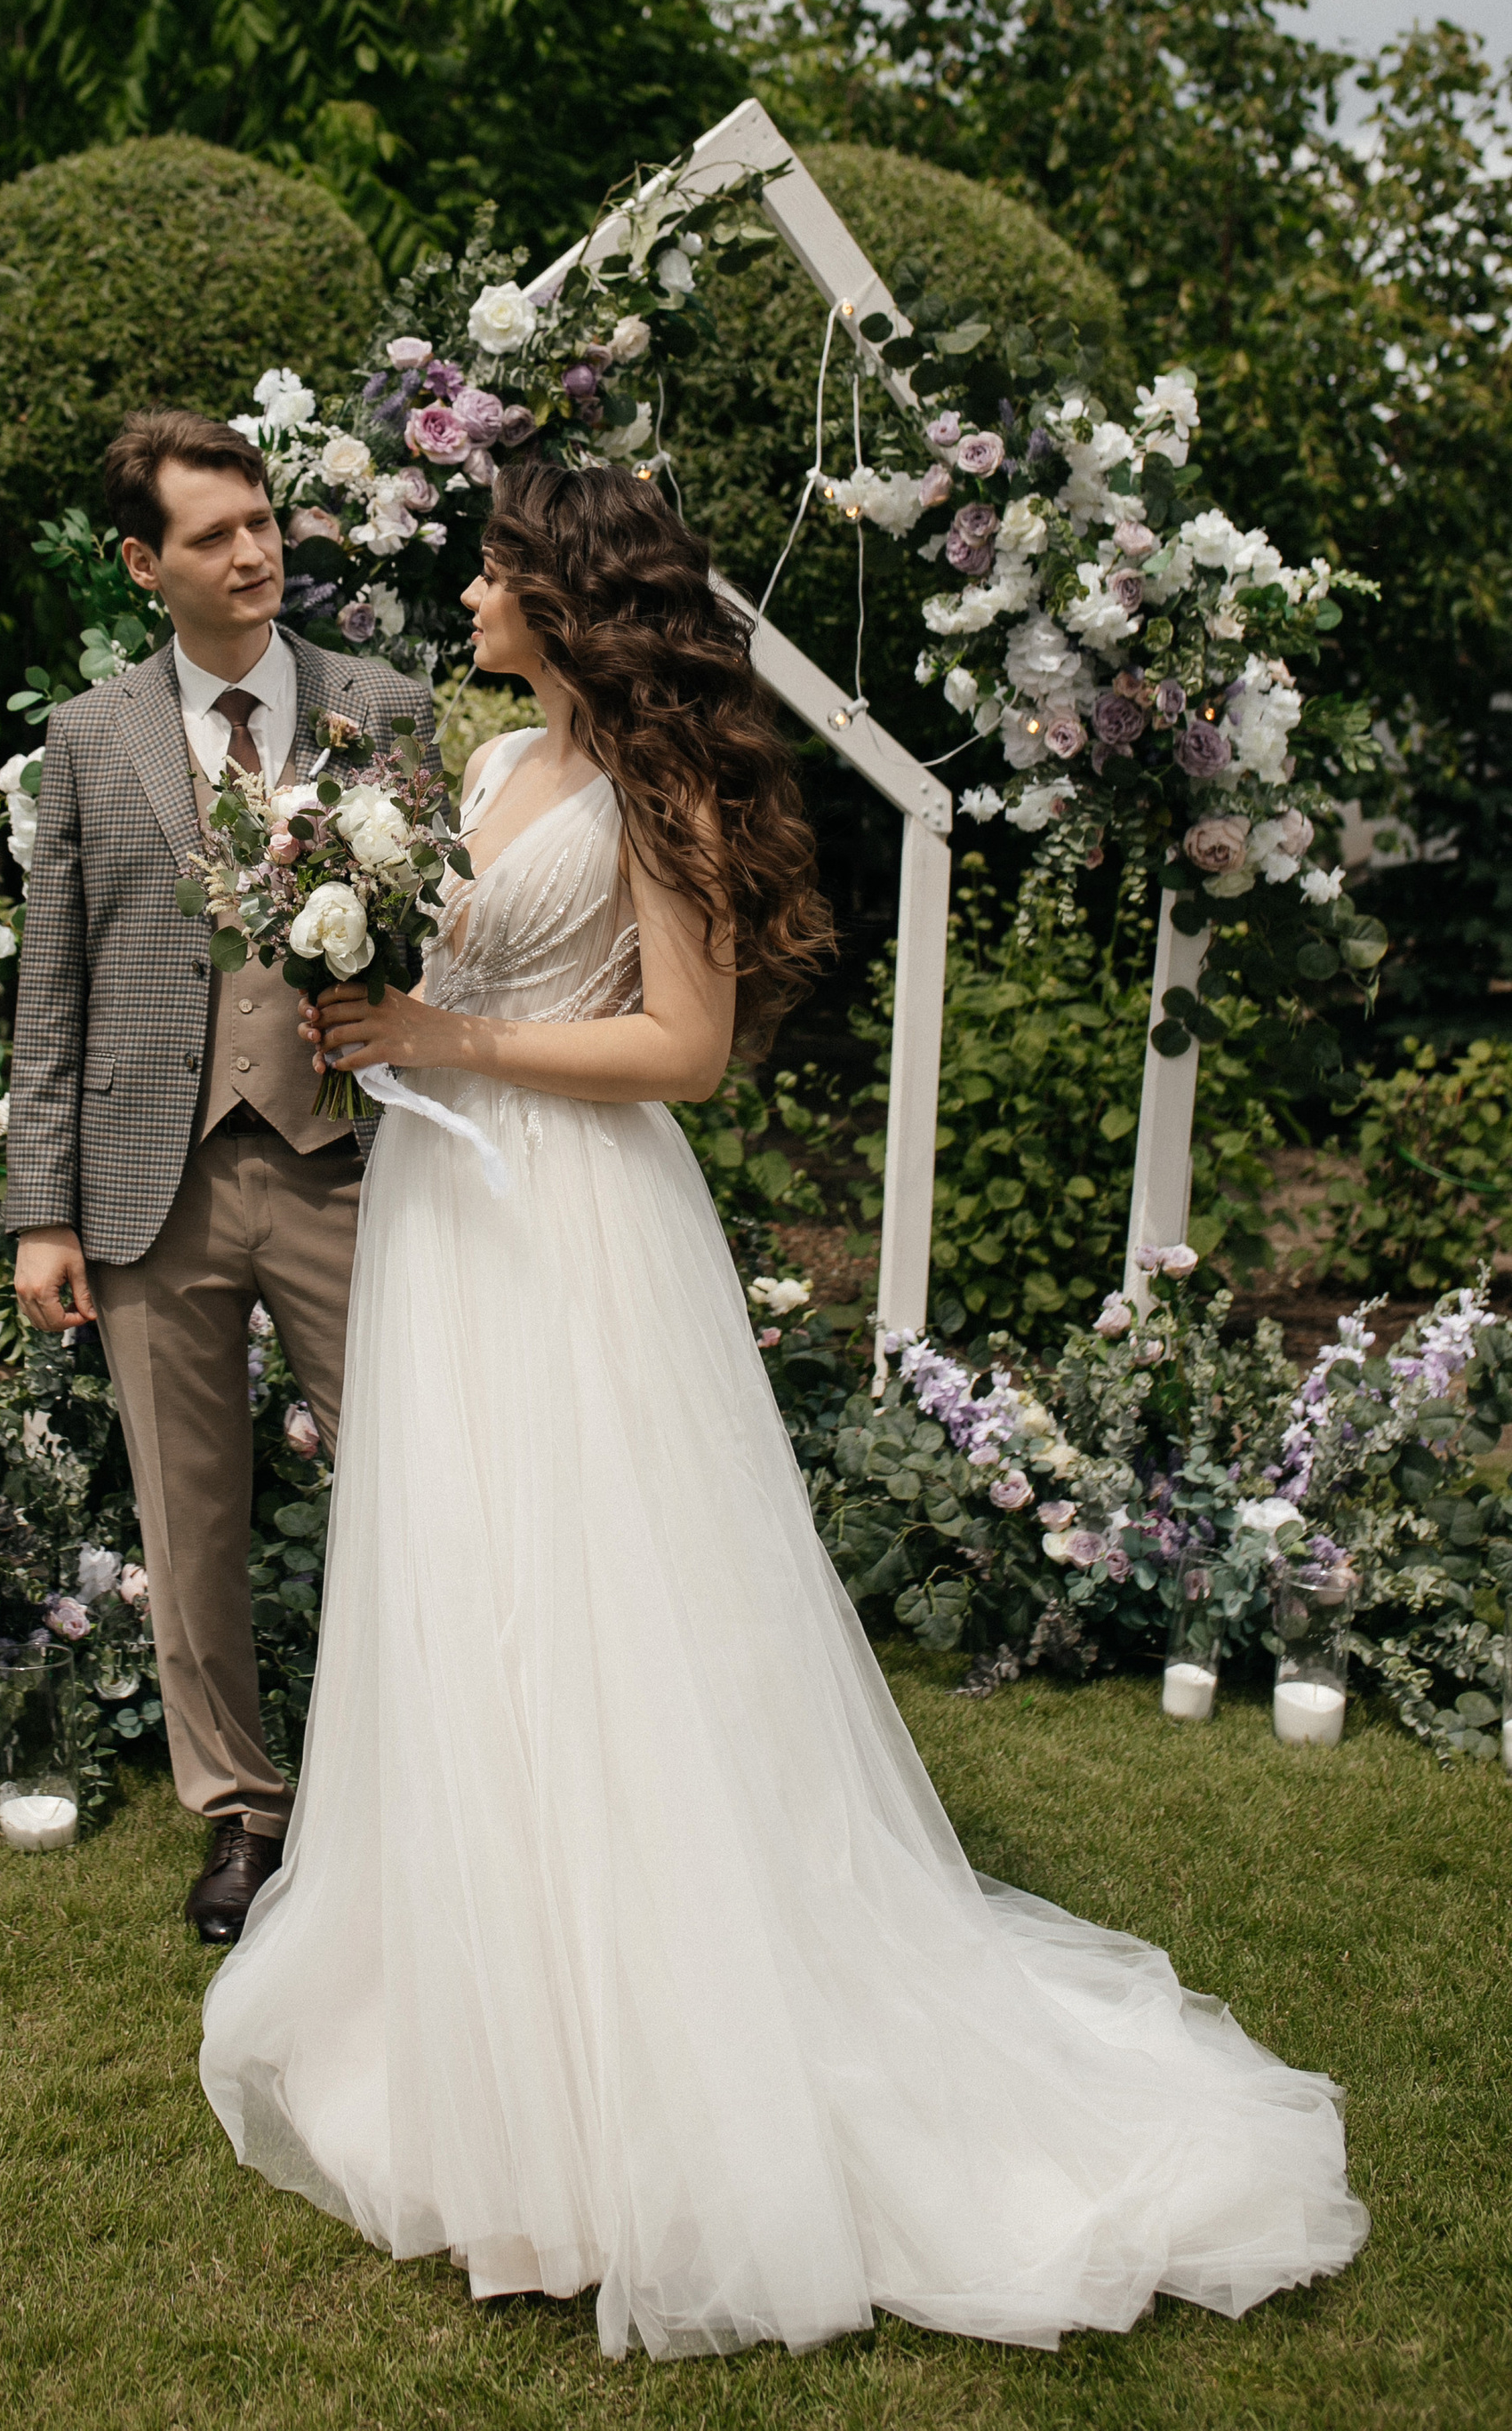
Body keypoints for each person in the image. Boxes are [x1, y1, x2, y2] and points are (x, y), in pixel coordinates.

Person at [199, 458, 1366, 2360]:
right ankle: (475, 2012)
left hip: (574, 1224)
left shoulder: (661, 792)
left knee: (601, 1602)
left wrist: (447, 1038)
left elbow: (686, 1050)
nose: (468, 594)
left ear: (567, 598)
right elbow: (449, 958)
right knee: (467, 1584)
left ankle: (651, 2039)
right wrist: (350, 958)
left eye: (495, 569)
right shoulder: (490, 773)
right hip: (447, 1214)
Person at [4, 406, 434, 1943]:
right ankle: (244, 1818)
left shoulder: (384, 706)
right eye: (212, 536)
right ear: (145, 565)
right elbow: (52, 980)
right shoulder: (89, 735)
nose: (254, 553)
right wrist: (39, 1210)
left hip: (349, 1165)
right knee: (190, 1525)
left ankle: (421, 1792)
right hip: (149, 1179)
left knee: (417, 1484)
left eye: (261, 521)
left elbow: (448, 933)